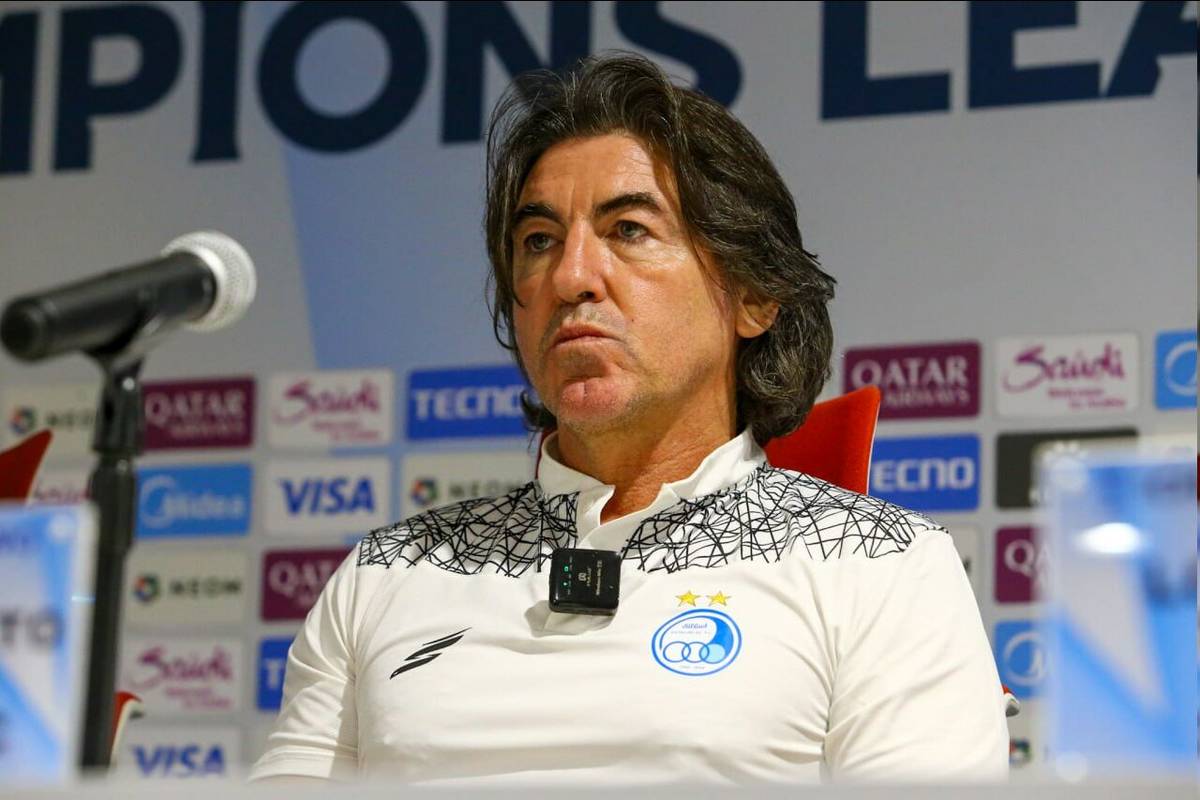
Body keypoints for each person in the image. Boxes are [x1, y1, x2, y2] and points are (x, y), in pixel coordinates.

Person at [250, 52, 1008, 785]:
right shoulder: (385, 573)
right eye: (539, 241)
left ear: (753, 295)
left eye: (629, 231)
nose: (572, 276)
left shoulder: (879, 565)